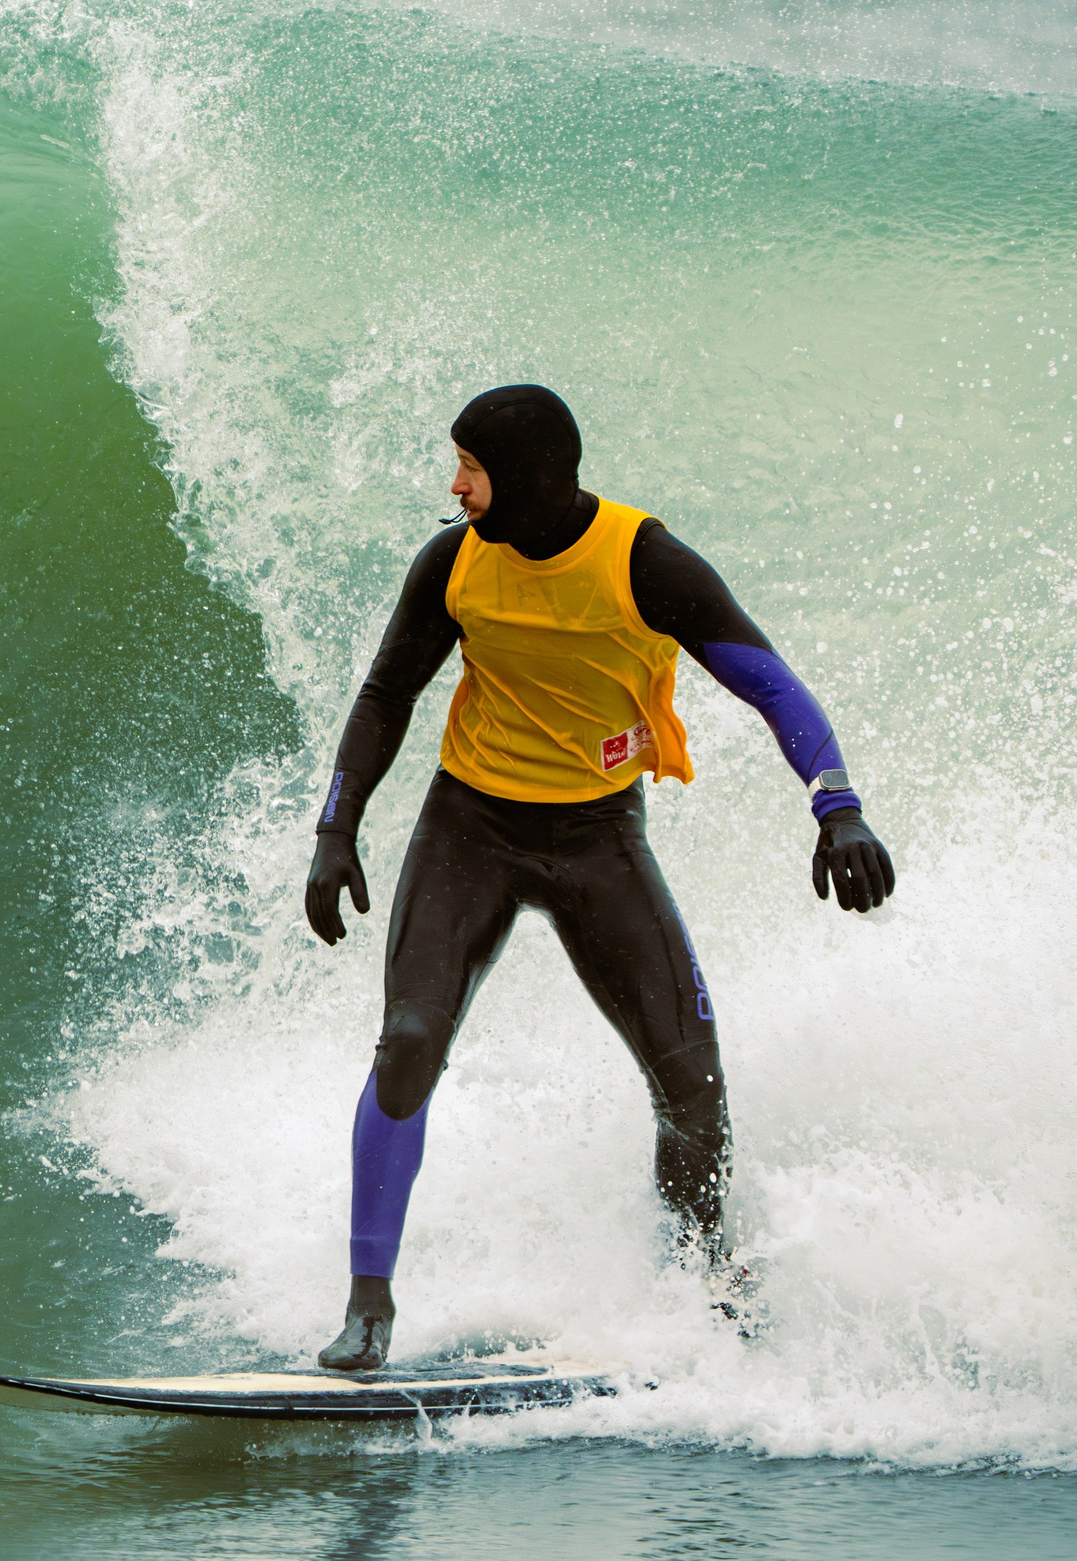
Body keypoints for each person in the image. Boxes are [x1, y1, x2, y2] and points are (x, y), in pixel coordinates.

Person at [304, 384, 895, 1371]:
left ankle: (708, 1284)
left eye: (471, 469)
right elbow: (384, 694)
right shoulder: (453, 563)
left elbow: (772, 683)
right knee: (406, 1044)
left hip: (597, 842)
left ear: (527, 480)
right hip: (469, 831)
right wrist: (336, 830)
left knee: (689, 1077)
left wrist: (837, 807)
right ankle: (368, 1309)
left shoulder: (643, 564)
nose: (455, 487)